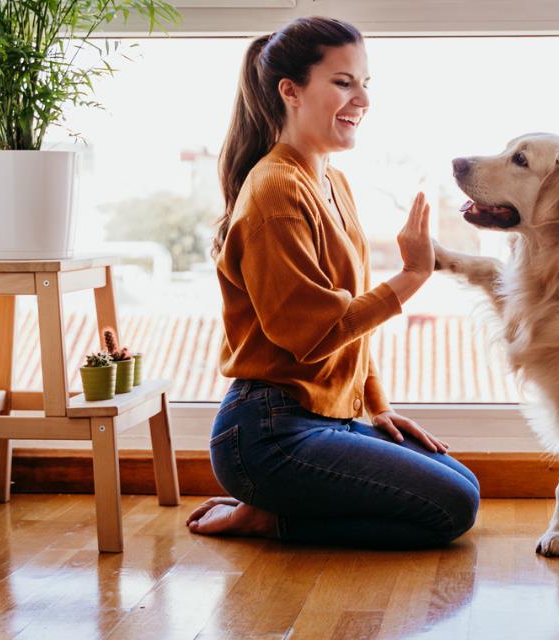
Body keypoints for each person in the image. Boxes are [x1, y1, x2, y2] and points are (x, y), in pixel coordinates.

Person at [185, 16, 480, 549]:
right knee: (452, 508)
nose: (362, 99)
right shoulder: (275, 191)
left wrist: (377, 404)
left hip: (325, 417)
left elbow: (348, 328)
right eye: (344, 82)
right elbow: (313, 334)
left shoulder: (331, 180)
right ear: (290, 91)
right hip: (267, 432)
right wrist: (413, 275)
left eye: (365, 83)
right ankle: (268, 517)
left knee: (464, 484)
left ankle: (276, 509)